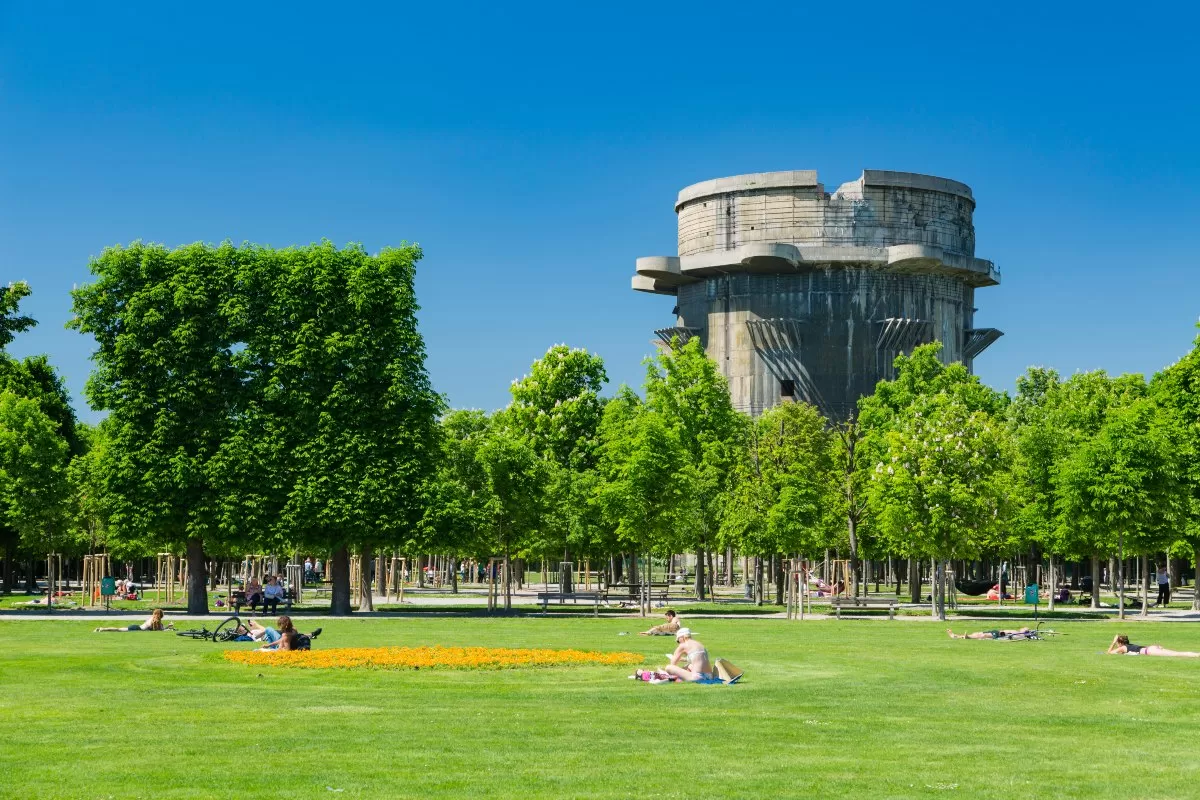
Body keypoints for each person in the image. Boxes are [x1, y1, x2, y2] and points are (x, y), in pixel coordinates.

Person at [1107, 634, 1200, 657]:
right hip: (1150, 647)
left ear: (1120, 643)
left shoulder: (1123, 648)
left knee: (1176, 654)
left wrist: (1113, 642)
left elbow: (1109, 652)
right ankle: (1197, 654)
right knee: (1176, 653)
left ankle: (1197, 655)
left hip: (1150, 650)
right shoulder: (1128, 646)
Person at [95, 609, 172, 632]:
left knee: (119, 629)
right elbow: (159, 630)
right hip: (137, 628)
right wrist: (168, 628)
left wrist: (168, 627)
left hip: (137, 627)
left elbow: (160, 628)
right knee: (119, 630)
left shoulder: (152, 619)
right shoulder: (155, 621)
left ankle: (101, 629)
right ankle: (102, 629)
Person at [947, 627, 1033, 640]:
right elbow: (1026, 627)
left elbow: (1027, 628)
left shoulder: (1021, 635)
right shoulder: (1019, 632)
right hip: (997, 632)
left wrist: (1027, 632)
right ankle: (956, 636)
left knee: (983, 635)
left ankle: (967, 637)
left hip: (1000, 634)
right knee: (977, 633)